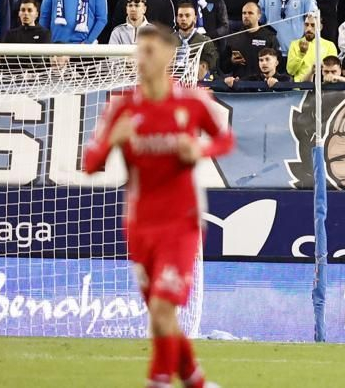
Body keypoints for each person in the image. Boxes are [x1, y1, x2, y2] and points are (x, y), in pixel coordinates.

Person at [83, 24, 233, 388]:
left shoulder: (192, 100)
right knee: (160, 316)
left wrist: (200, 149)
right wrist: (109, 144)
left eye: (149, 51)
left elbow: (225, 140)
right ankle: (196, 381)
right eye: (139, 51)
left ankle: (159, 381)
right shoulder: (122, 107)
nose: (141, 58)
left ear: (168, 55)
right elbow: (89, 164)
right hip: (140, 226)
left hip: (181, 223)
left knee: (164, 310)